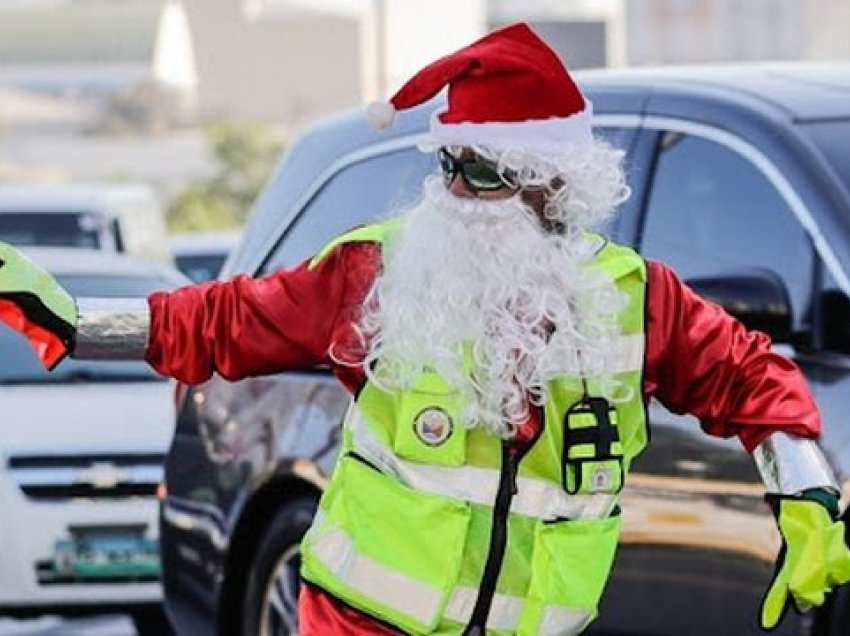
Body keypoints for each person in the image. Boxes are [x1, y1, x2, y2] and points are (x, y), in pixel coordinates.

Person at [0, 22, 848, 636]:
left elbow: (749, 375)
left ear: (550, 187)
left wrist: (806, 492)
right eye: (446, 164)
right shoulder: (377, 272)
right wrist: (75, 325)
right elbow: (225, 319)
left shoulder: (632, 300)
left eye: (480, 171)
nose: (454, 191)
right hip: (362, 626)